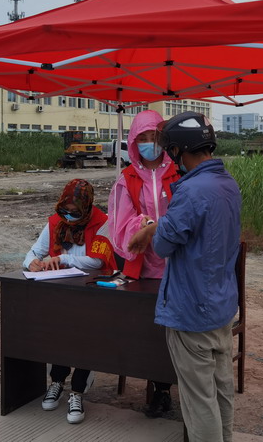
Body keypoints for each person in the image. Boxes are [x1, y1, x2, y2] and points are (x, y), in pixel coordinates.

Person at [127, 111, 241, 442]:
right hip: (221, 305)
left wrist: (151, 228)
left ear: (178, 150)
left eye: (170, 149)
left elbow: (164, 246)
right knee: (221, 390)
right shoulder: (227, 184)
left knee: (198, 400)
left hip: (191, 311)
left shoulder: (190, 191)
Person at [23, 178, 116, 424]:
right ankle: (56, 382)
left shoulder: (103, 222)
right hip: (61, 293)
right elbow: (34, 251)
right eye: (65, 210)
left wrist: (64, 259)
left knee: (84, 339)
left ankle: (77, 391)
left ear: (87, 207)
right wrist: (32, 262)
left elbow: (97, 261)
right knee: (59, 336)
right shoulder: (55, 221)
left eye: (75, 212)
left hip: (91, 295)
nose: (69, 216)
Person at [107, 109, 179, 417]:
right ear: (134, 142)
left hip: (178, 265)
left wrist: (158, 228)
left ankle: (167, 387)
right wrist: (145, 224)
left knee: (175, 330)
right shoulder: (127, 179)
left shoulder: (179, 171)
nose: (150, 143)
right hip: (145, 267)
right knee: (149, 330)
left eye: (155, 137)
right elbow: (119, 225)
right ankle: (157, 389)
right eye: (144, 138)